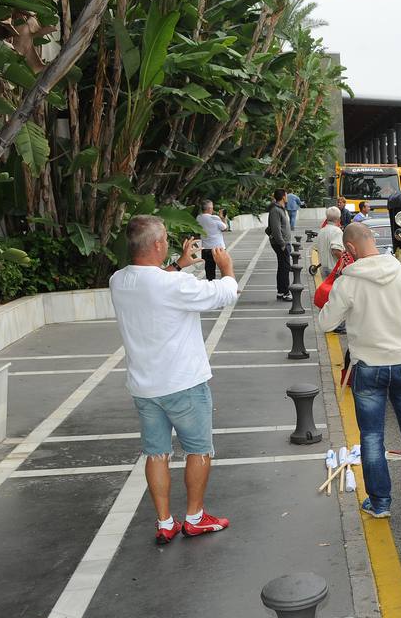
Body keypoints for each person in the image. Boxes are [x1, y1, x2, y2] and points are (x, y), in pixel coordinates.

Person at [109, 215, 239, 544]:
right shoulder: (172, 286)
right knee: (198, 450)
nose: (167, 242)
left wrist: (180, 264)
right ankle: (194, 518)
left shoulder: (119, 281)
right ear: (156, 245)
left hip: (144, 387)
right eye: (165, 238)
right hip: (183, 384)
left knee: (156, 454)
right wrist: (226, 267)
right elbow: (224, 293)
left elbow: (155, 282)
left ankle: (165, 522)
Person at [318, 223, 401, 517]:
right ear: (372, 240)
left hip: (368, 368)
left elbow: (325, 323)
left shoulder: (348, 282)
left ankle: (380, 503)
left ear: (350, 249)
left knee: (371, 437)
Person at [267, 188, 292, 300]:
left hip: (283, 242)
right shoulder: (276, 210)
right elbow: (276, 229)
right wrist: (282, 244)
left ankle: (281, 291)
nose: (287, 197)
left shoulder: (280, 209)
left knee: (282, 267)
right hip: (281, 244)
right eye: (286, 195)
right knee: (285, 267)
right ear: (283, 197)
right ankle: (285, 292)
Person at [195, 200, 228, 280]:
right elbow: (225, 228)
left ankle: (211, 287)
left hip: (206, 248)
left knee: (209, 271)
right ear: (209, 208)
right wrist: (222, 218)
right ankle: (227, 285)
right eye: (212, 207)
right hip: (218, 248)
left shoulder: (198, 218)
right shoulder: (215, 218)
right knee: (224, 268)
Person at [315, 206, 344, 276]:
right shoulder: (337, 231)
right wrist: (344, 261)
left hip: (324, 267)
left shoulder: (322, 230)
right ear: (338, 219)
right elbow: (336, 250)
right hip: (334, 269)